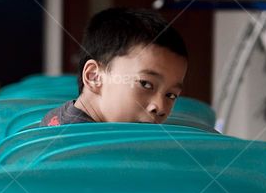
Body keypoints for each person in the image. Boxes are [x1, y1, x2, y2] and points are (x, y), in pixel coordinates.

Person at [42, 7, 188, 126]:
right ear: (94, 76)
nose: (160, 107)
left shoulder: (59, 118)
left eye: (171, 95)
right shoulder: (86, 150)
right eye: (146, 84)